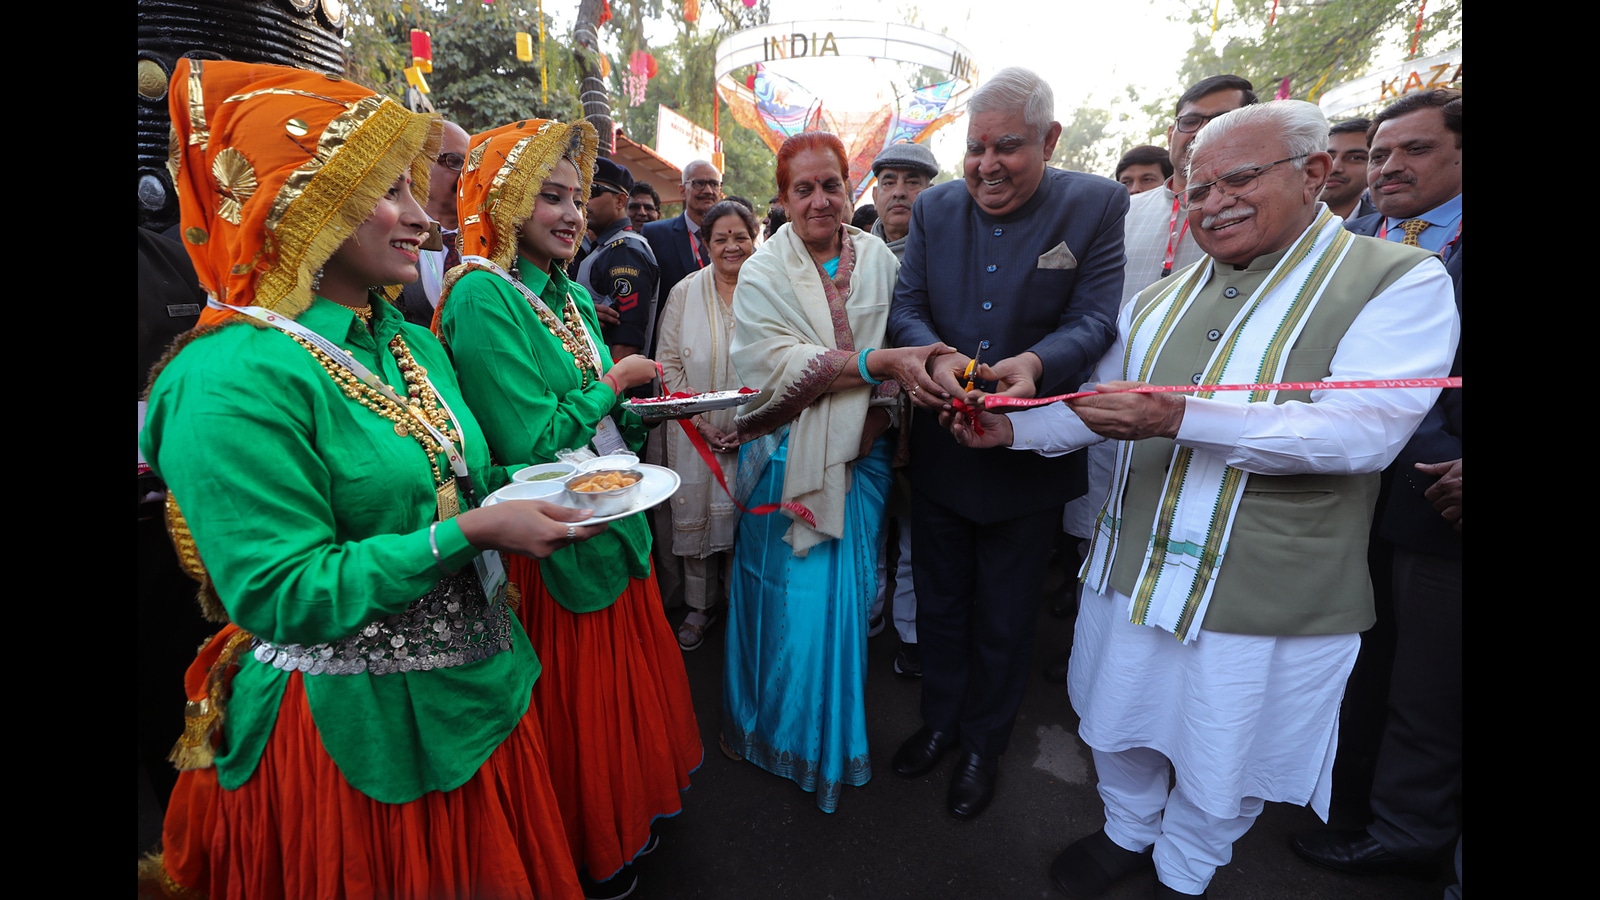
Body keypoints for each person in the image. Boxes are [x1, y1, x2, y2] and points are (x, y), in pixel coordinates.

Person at [948, 100, 1459, 900]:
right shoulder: (1160, 297)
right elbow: (1097, 404)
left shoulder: (1396, 281)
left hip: (1263, 592)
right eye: (1198, 187)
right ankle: (1126, 830)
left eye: (1240, 178)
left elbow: (1361, 436)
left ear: (1316, 173)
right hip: (1137, 565)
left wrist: (1179, 415)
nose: (1213, 201)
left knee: (1229, 749)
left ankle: (1186, 865)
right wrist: (1010, 434)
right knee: (1120, 716)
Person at [138, 59, 600, 899]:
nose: (424, 216)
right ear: (297, 198)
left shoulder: (408, 343)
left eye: (417, 189)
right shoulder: (231, 375)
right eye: (391, 190)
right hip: (353, 742)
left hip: (480, 687)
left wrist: (558, 489)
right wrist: (471, 533)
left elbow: (465, 476)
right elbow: (281, 592)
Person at [434, 116, 702, 900]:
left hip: (612, 521)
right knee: (582, 714)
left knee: (625, 699)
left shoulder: (567, 292)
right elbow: (533, 438)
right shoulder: (483, 295)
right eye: (548, 196)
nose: (571, 214)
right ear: (503, 199)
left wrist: (647, 409)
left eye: (576, 197)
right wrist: (617, 382)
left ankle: (630, 818)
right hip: (554, 542)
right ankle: (595, 842)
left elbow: (593, 420)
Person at [886, 66, 1127, 821]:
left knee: (1008, 613)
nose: (987, 165)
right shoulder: (934, 209)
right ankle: (939, 723)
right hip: (943, 450)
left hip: (1030, 450)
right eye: (975, 148)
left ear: (1050, 140)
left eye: (1009, 147)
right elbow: (907, 309)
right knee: (943, 600)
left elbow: (1094, 318)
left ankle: (986, 744)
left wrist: (1036, 365)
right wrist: (941, 357)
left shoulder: (1096, 203)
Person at [721, 131, 949, 813]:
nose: (820, 200)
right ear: (783, 199)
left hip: (868, 453)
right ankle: (764, 729)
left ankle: (824, 745)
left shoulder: (879, 258)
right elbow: (767, 364)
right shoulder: (763, 272)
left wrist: (880, 420)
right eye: (804, 189)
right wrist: (871, 368)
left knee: (841, 606)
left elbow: (905, 346)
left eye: (831, 186)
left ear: (850, 191)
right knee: (783, 602)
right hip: (787, 457)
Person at [1292, 88, 1462, 881]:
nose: (1390, 166)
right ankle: (1338, 793)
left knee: (1423, 686)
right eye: (1382, 152)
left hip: (1439, 506)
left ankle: (1408, 829)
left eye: (1415, 150)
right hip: (1339, 499)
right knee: (1350, 663)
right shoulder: (1341, 244)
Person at [655, 199, 757, 650]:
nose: (732, 246)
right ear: (706, 245)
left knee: (747, 522)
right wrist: (699, 424)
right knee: (697, 515)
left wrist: (752, 424)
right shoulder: (684, 292)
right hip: (693, 431)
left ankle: (744, 606)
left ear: (756, 239)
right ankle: (700, 606)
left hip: (756, 430)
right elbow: (668, 365)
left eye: (741, 237)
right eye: (721, 239)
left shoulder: (773, 292)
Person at [866, 139, 941, 677]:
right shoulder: (852, 253)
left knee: (915, 533)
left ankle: (912, 634)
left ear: (930, 191)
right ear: (874, 190)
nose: (900, 193)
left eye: (912, 182)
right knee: (869, 527)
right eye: (890, 181)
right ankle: (867, 620)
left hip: (925, 414)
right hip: (864, 414)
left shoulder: (944, 252)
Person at [1120, 75, 1257, 305]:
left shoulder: (1258, 213)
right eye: (1191, 121)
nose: (1200, 132)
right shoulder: (1122, 212)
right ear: (1171, 134)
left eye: (1221, 120)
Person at [576, 157, 660, 362]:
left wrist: (611, 390)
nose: (583, 201)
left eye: (593, 192)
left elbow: (626, 346)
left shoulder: (626, 251)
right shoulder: (604, 248)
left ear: (620, 201)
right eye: (580, 193)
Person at [396, 119, 470, 327]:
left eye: (472, 165)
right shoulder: (389, 235)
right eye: (455, 162)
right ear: (416, 163)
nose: (467, 175)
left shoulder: (490, 241)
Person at [644, 159, 725, 299]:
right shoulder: (655, 235)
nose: (708, 191)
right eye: (699, 183)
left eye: (714, 184)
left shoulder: (731, 238)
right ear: (682, 190)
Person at [1322, 118, 1375, 221]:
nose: (1333, 168)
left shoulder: (1385, 231)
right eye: (1327, 156)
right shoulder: (1283, 221)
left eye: (1355, 158)